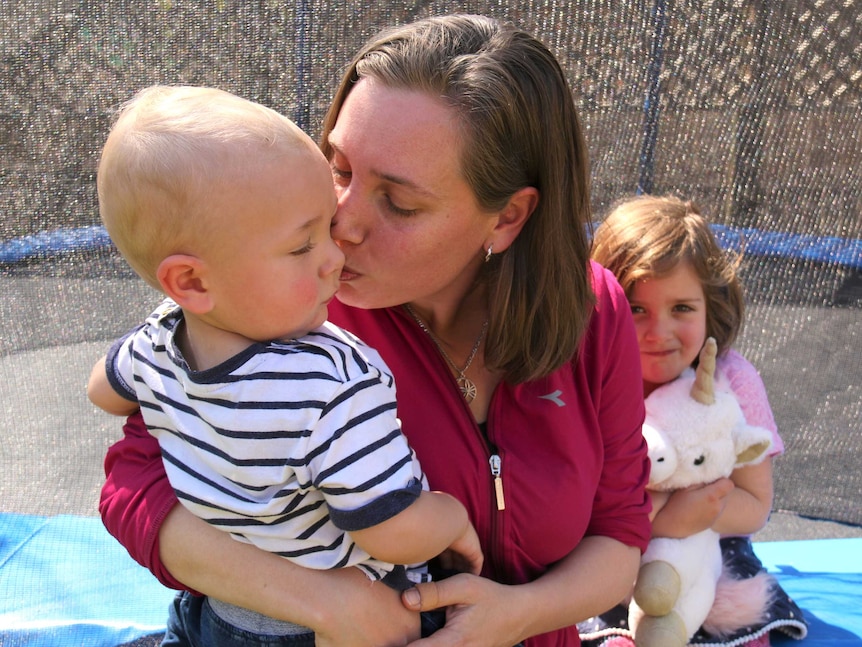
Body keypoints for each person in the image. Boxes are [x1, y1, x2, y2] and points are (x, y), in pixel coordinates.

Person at [98, 15, 653, 647]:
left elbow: (620, 535)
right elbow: (132, 488)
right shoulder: (288, 301)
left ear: (508, 218)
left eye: (400, 203)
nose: (341, 223)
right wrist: (326, 603)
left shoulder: (594, 311)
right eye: (339, 168)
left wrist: (516, 616)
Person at [88, 84, 482, 645]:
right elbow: (391, 530)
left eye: (325, 228)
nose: (334, 255)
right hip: (329, 627)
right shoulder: (330, 380)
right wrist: (449, 518)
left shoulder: (159, 338)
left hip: (216, 616)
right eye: (302, 247)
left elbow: (102, 390)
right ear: (193, 280)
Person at [578, 194, 808, 647]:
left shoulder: (732, 381)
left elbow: (755, 504)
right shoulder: (586, 377)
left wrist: (694, 516)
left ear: (711, 307)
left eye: (681, 308)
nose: (657, 332)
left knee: (733, 620)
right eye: (636, 308)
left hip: (709, 551)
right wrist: (662, 521)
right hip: (608, 547)